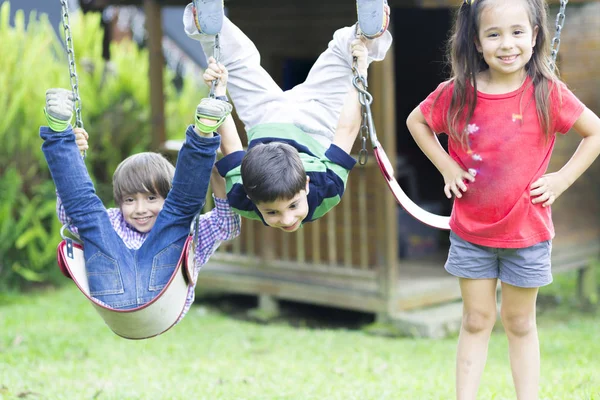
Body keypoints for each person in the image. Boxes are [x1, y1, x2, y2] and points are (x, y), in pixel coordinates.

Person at [406, 0, 600, 399]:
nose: (506, 44)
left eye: (517, 32)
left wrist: (561, 180)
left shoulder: (548, 93)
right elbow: (418, 121)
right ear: (476, 42)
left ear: (534, 36)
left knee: (520, 323)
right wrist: (446, 166)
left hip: (527, 233)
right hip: (471, 232)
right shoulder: (459, 93)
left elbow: (594, 132)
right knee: (477, 319)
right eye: (493, 34)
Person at [183, 0, 393, 232]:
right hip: (314, 119)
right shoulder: (327, 188)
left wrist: (220, 93)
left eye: (286, 207)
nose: (286, 219)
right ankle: (365, 33)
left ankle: (213, 25)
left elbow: (230, 142)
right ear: (306, 185)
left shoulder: (239, 193)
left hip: (266, 119)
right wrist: (359, 74)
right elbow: (347, 129)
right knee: (345, 52)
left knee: (235, 63)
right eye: (274, 211)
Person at [41, 88, 241, 316]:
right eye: (129, 200)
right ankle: (59, 131)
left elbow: (226, 225)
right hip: (118, 291)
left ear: (167, 197)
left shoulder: (191, 231)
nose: (140, 209)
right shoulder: (112, 220)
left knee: (175, 215)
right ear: (119, 203)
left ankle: (204, 130)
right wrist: (72, 157)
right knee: (90, 215)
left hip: (158, 295)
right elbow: (72, 213)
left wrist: (219, 179)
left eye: (152, 198)